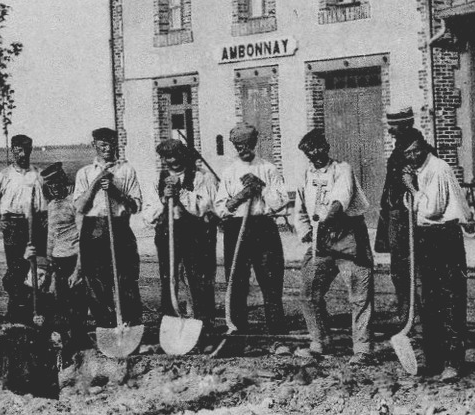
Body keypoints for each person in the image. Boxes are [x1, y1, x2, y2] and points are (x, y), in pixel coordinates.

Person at [294, 128, 374, 361]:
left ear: (326, 147)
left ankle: (362, 348)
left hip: (347, 235)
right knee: (309, 292)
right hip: (321, 239)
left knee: (359, 295)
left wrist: (328, 219)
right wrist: (306, 230)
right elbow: (299, 207)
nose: (316, 154)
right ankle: (320, 340)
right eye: (311, 152)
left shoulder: (342, 169)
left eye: (319, 148)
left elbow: (342, 198)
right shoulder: (306, 174)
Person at [398, 131, 470, 381]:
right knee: (428, 299)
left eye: (417, 149)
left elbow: (432, 209)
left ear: (425, 147)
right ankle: (433, 360)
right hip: (426, 237)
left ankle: (453, 362)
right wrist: (412, 188)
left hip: (444, 236)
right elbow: (413, 208)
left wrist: (410, 186)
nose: (414, 155)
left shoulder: (437, 168)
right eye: (408, 152)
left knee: (450, 299)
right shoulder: (418, 171)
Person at [213, 123, 290, 339]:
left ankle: (277, 331)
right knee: (236, 280)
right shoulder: (229, 172)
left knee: (271, 280)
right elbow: (220, 207)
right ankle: (238, 330)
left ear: (254, 143)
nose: (242, 149)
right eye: (238, 146)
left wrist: (261, 188)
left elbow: (281, 202)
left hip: (263, 226)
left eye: (246, 144)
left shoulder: (268, 168)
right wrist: (240, 197)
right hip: (236, 228)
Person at [143, 138, 218, 329]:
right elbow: (148, 215)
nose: (173, 160)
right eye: (167, 157)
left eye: (176, 155)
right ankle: (170, 324)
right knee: (169, 278)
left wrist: (181, 193)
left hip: (195, 234)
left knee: (199, 279)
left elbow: (205, 207)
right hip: (167, 234)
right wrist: (164, 199)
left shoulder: (201, 177)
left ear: (184, 155)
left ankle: (203, 325)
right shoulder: (157, 180)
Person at [73, 126, 144, 328]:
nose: (108, 148)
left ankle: (129, 324)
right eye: (103, 144)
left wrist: (115, 191)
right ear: (94, 145)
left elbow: (135, 206)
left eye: (112, 143)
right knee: (95, 281)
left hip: (120, 227)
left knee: (125, 278)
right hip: (93, 229)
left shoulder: (126, 170)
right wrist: (95, 184)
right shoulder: (84, 173)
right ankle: (106, 325)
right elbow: (79, 206)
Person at [0, 134, 46, 323]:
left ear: (31, 150)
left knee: (37, 269)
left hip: (37, 224)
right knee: (16, 269)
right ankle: (16, 313)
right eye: (18, 151)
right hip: (14, 226)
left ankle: (36, 310)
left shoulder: (38, 174)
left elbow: (47, 202)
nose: (22, 154)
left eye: (25, 150)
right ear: (13, 151)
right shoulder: (5, 175)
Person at [37, 161, 88, 362]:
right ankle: (65, 348)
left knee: (77, 307)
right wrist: (48, 269)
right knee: (60, 306)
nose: (55, 187)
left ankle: (79, 347)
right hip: (58, 262)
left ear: (64, 180)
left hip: (73, 260)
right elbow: (51, 237)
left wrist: (78, 270)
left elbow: (82, 237)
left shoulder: (74, 202)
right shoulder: (51, 205)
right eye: (51, 185)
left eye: (58, 182)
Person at [374, 107, 419, 326]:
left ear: (407, 125)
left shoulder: (416, 149)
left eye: (394, 125)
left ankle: (410, 313)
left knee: (405, 267)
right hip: (395, 214)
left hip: (406, 216)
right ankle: (408, 311)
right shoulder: (400, 146)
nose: (390, 130)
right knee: (399, 267)